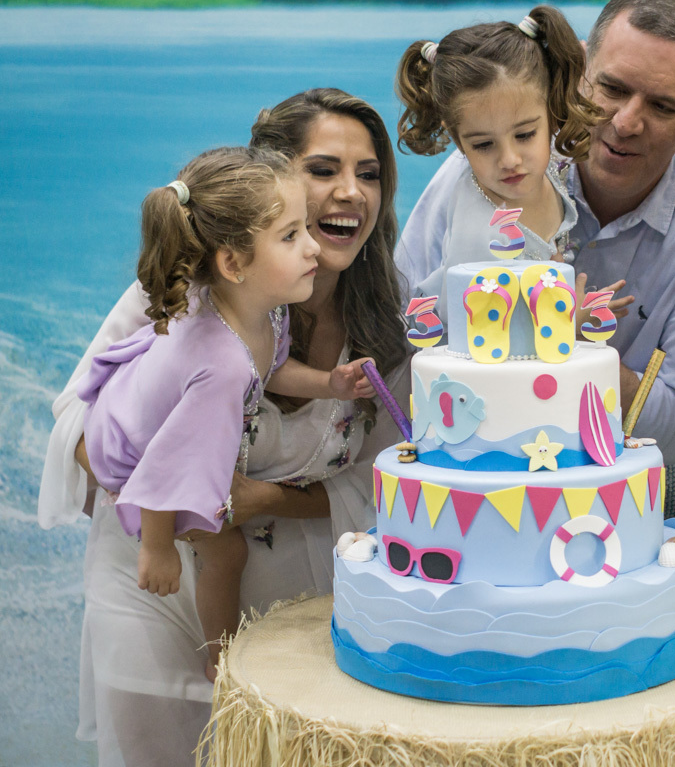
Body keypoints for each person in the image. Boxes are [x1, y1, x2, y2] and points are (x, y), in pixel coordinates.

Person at [38, 88, 409, 767]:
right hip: (158, 596)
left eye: (370, 173)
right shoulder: (187, 296)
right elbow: (86, 429)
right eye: (323, 170)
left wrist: (260, 498)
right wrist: (177, 516)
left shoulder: (388, 317)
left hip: (293, 621)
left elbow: (390, 482)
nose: (351, 192)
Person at [396, 0, 675, 492]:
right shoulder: (484, 171)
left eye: (663, 106)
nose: (625, 122)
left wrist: (569, 338)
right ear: (580, 70)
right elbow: (401, 328)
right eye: (613, 88)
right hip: (455, 488)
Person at [78, 146, 376, 681]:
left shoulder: (259, 309)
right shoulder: (220, 369)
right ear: (233, 263)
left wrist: (329, 383)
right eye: (291, 236)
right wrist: (158, 548)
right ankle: (224, 665)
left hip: (149, 414)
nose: (313, 246)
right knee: (227, 552)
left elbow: (270, 367)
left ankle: (224, 656)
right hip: (128, 447)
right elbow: (165, 462)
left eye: (305, 229)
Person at [397, 5, 623, 325]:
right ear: (458, 140)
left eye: (525, 135)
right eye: (483, 144)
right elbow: (471, 331)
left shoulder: (552, 166)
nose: (510, 160)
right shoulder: (481, 235)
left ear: (551, 112)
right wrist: (567, 322)